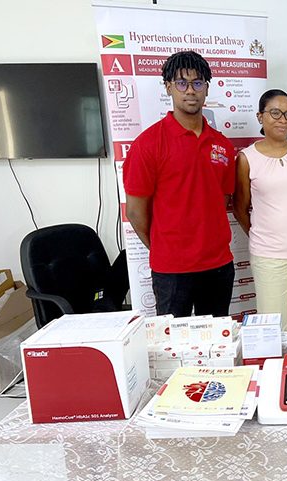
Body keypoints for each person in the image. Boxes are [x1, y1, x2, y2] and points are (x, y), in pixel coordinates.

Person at [123, 51, 236, 317]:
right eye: (182, 83)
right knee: (173, 351)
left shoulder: (222, 145)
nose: (190, 91)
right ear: (168, 87)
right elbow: (135, 211)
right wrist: (165, 246)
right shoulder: (148, 144)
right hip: (172, 270)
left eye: (198, 83)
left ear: (207, 88)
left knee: (217, 349)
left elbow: (221, 200)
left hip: (218, 265)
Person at [233, 89, 287, 333]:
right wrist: (265, 233)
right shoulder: (246, 158)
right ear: (260, 116)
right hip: (268, 255)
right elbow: (240, 207)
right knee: (273, 328)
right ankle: (276, 371)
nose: (283, 119)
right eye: (275, 113)